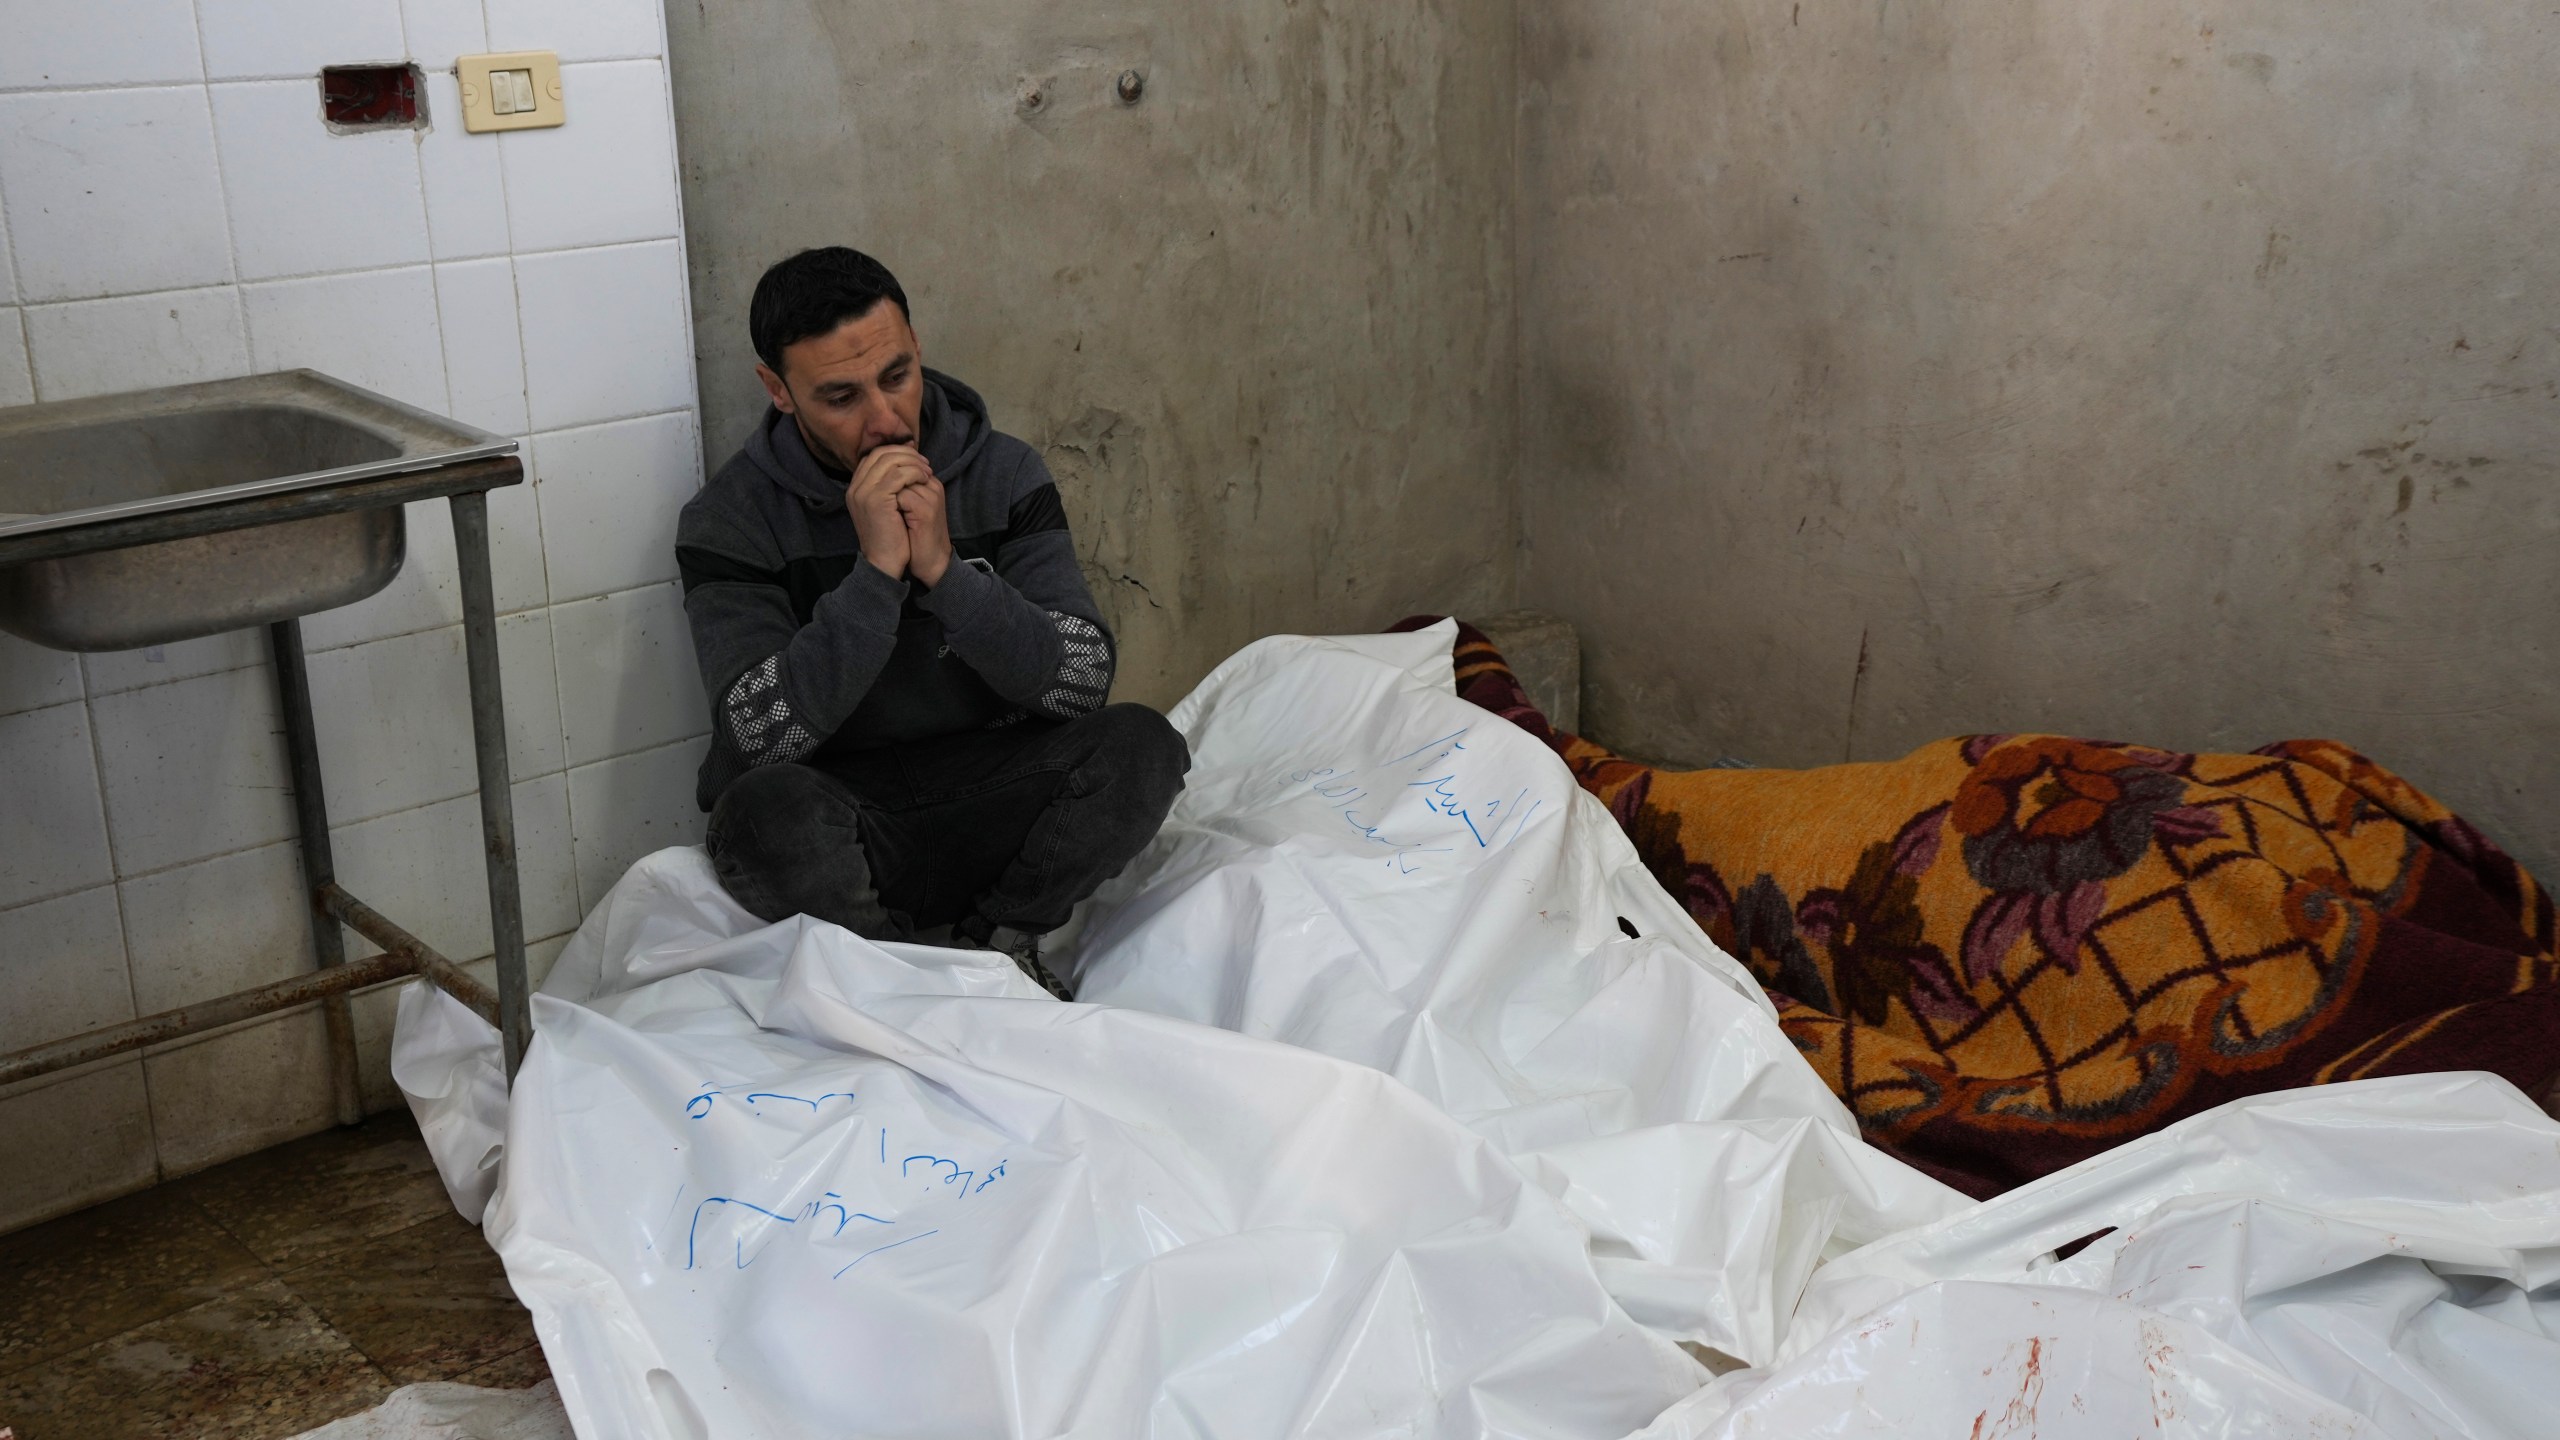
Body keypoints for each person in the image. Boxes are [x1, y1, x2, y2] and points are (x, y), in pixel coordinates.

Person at [675, 246, 1189, 998]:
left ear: (917, 348)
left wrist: (948, 575)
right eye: (841, 397)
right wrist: (876, 577)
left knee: (1143, 746)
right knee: (760, 818)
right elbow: (759, 736)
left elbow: (1080, 685)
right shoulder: (729, 520)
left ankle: (1001, 944)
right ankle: (900, 978)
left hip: (992, 786)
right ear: (779, 391)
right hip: (846, 816)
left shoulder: (1005, 474)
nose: (886, 422)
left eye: (896, 377)